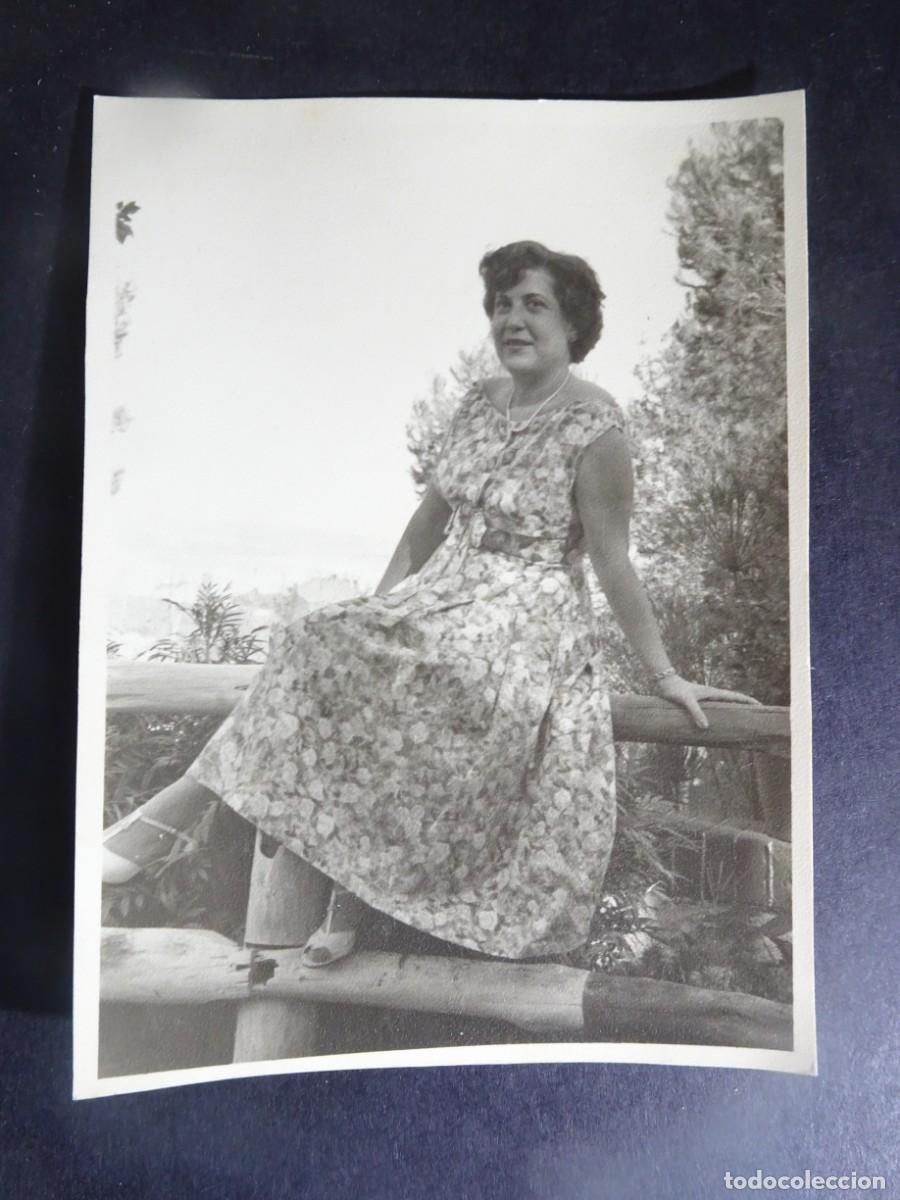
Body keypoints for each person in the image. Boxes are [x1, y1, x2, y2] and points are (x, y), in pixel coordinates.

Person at [103, 240, 758, 967]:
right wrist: (380, 617)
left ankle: (196, 830)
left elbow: (612, 561)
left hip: (525, 617)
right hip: (444, 596)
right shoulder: (478, 405)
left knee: (438, 696)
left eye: (533, 304)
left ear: (573, 324)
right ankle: (218, 827)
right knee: (317, 638)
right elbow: (427, 523)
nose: (512, 319)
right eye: (502, 305)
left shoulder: (596, 428)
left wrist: (665, 676)